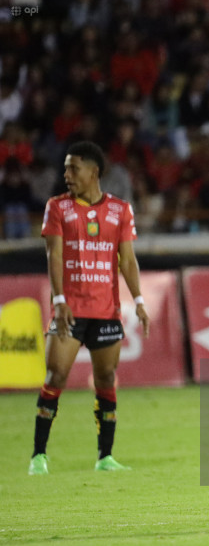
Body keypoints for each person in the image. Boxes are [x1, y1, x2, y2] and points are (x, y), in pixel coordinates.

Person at [28, 141, 150, 475]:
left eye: (73, 168)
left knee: (106, 379)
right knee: (56, 375)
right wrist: (59, 300)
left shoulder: (120, 210)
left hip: (106, 311)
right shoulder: (57, 208)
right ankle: (38, 455)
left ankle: (105, 457)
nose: (66, 174)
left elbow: (128, 260)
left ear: (93, 172)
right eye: (66, 168)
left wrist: (138, 301)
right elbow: (54, 254)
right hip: (70, 309)